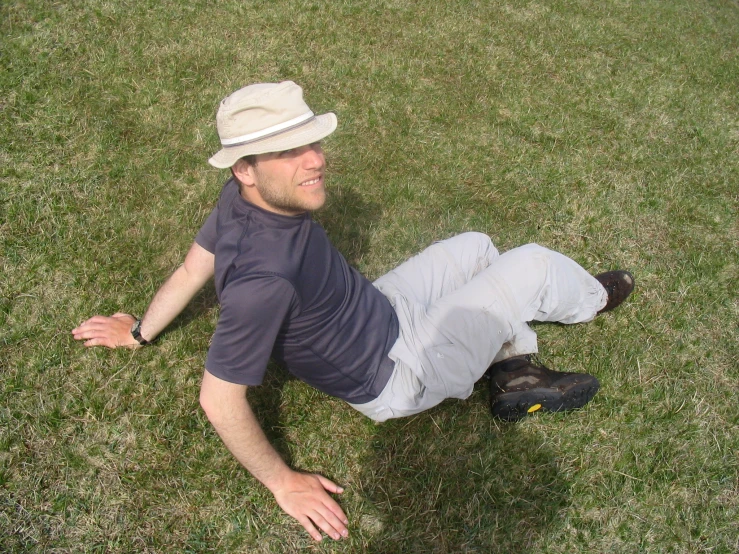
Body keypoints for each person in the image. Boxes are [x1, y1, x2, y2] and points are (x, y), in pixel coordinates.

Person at [72, 81, 635, 542]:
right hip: (402, 370)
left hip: (382, 308)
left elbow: (194, 269)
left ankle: (515, 371)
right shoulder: (265, 279)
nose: (315, 161)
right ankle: (592, 300)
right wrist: (282, 482)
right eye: (289, 152)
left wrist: (140, 332)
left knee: (478, 248)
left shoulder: (238, 200)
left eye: (312, 142)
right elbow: (218, 398)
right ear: (245, 167)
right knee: (532, 264)